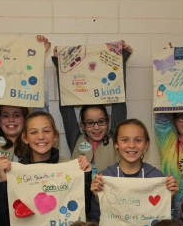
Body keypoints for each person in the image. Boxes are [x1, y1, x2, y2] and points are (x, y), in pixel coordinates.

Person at [90, 119, 179, 226]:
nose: (131, 145)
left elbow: (170, 224)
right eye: (125, 140)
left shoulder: (157, 178)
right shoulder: (104, 178)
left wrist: (169, 199)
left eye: (138, 140)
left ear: (146, 144)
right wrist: (97, 198)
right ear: (116, 144)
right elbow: (95, 223)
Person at [52, 41, 133, 176]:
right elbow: (66, 107)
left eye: (101, 121)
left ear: (108, 122)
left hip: (108, 194)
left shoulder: (115, 138)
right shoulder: (76, 139)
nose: (96, 127)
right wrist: (59, 65)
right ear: (82, 125)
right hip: (83, 194)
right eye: (90, 123)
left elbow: (119, 101)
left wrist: (121, 61)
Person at [0, 34, 52, 161]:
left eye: (16, 115)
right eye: (5, 115)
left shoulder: (35, 144)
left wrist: (39, 60)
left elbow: (41, 105)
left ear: (26, 119)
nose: (11, 120)